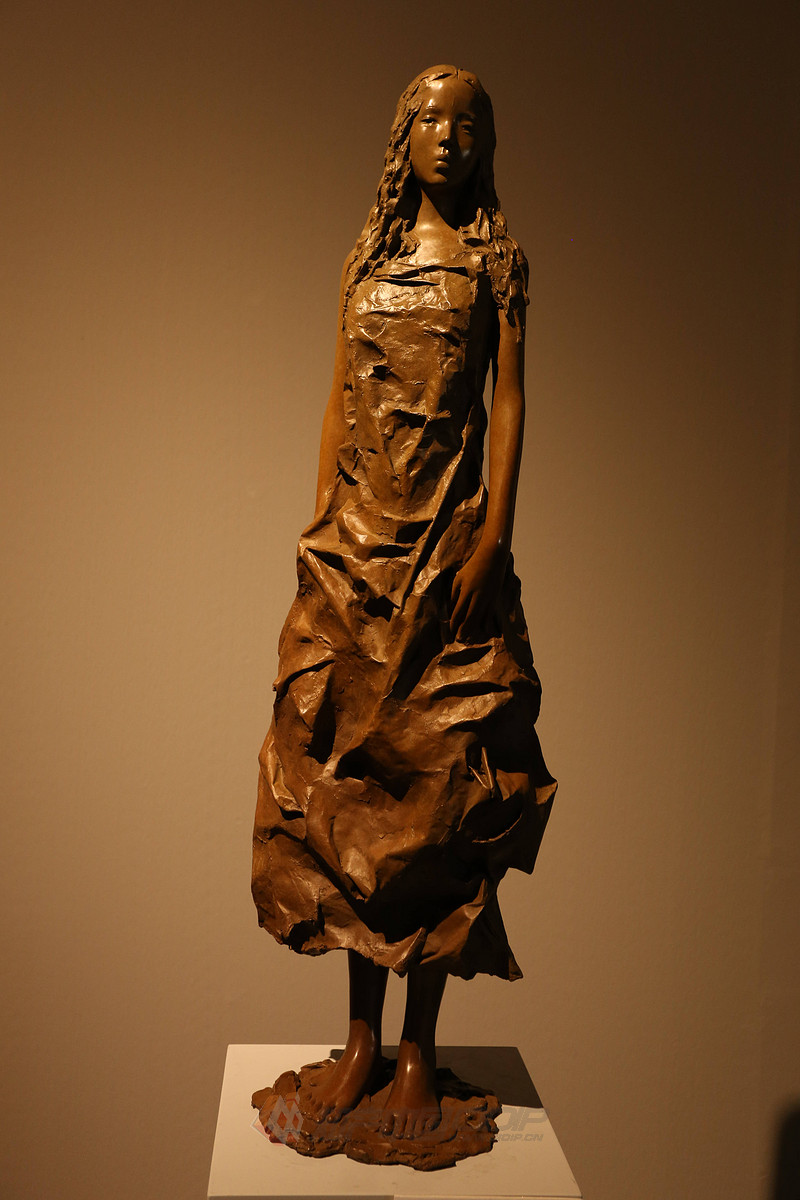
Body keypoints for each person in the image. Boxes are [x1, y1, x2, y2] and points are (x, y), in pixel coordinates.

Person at [252, 65, 556, 1142]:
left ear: (485, 143)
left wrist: (493, 539)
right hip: (357, 554)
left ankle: (419, 1048)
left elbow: (507, 404)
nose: (447, 136)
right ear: (402, 135)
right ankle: (359, 1043)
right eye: (429, 118)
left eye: (467, 122)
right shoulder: (368, 261)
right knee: (344, 793)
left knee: (439, 798)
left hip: (449, 556)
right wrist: (318, 536)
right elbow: (338, 400)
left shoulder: (496, 266)